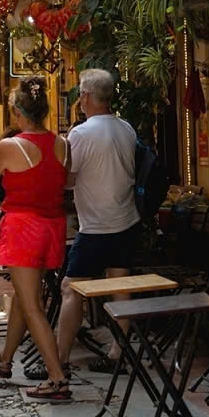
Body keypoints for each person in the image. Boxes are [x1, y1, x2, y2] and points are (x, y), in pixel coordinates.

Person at [0, 76, 72, 402]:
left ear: (18, 113)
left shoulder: (10, 146)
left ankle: (57, 378)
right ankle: (4, 361)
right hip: (52, 227)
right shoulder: (63, 143)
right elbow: (64, 178)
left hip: (23, 229)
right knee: (24, 296)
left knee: (32, 305)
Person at [55, 68, 141, 375]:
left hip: (95, 226)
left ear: (88, 97)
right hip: (126, 219)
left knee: (71, 288)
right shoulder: (127, 129)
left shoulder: (80, 134)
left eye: (80, 93)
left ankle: (60, 360)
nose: (78, 98)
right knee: (120, 285)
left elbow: (67, 181)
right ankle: (117, 353)